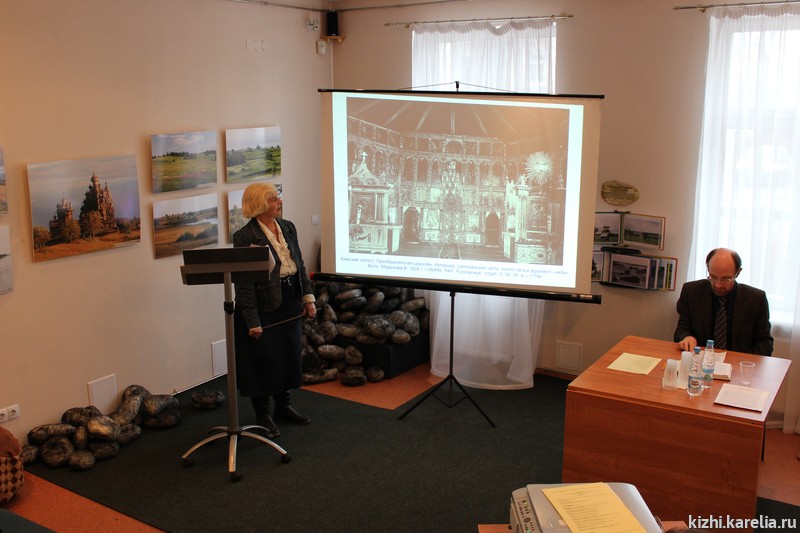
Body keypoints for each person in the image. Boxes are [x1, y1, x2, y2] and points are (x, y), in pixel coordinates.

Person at [232, 182, 317, 439]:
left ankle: (283, 406)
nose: (278, 202)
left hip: (289, 301)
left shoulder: (288, 227)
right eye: (273, 199)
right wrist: (252, 320)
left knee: (287, 355)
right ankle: (262, 415)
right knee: (263, 360)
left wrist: (308, 297)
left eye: (277, 198)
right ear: (259, 204)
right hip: (263, 306)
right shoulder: (245, 237)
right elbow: (244, 284)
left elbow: (300, 264)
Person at [674, 248, 773, 356]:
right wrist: (687, 337)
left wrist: (743, 362)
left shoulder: (756, 299)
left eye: (725, 279)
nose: (718, 285)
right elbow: (682, 328)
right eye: (713, 277)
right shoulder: (691, 292)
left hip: (738, 362)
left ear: (738, 273)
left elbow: (764, 343)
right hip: (700, 359)